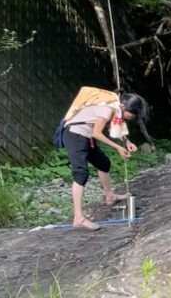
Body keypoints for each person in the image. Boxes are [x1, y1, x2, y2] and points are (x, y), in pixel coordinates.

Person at [61, 87, 150, 230]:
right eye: (130, 115)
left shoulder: (115, 107)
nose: (129, 118)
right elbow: (97, 133)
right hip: (75, 135)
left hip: (85, 136)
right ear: (124, 106)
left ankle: (110, 196)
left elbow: (116, 127)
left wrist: (126, 142)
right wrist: (118, 148)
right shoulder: (107, 108)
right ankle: (78, 218)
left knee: (103, 163)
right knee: (81, 173)